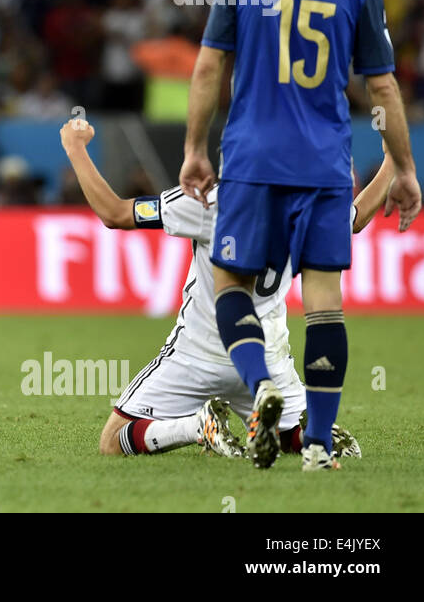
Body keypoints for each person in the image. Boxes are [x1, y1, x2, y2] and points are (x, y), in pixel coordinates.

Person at [181, 0, 422, 471]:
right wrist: (404, 169)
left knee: (230, 283)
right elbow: (385, 90)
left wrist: (193, 150)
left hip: (253, 158)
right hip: (323, 164)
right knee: (323, 303)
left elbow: (209, 67)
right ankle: (316, 443)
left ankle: (260, 382)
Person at [60, 117, 378, 460]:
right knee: (289, 439)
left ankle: (196, 427)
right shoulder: (314, 208)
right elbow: (356, 217)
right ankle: (309, 436)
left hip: (197, 355)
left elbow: (115, 213)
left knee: (113, 441)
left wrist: (75, 149)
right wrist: (395, 164)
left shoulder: (210, 200)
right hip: (267, 358)